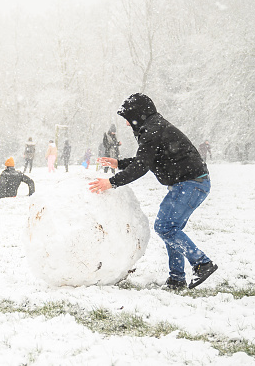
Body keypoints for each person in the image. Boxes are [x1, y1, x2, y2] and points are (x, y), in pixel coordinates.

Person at [89, 93, 217, 290]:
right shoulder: (154, 127)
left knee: (165, 227)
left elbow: (141, 166)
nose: (127, 125)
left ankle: (201, 263)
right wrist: (119, 163)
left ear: (138, 115)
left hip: (191, 183)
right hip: (192, 183)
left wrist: (111, 182)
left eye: (128, 119)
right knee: (171, 230)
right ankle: (176, 279)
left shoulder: (152, 130)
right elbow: (146, 160)